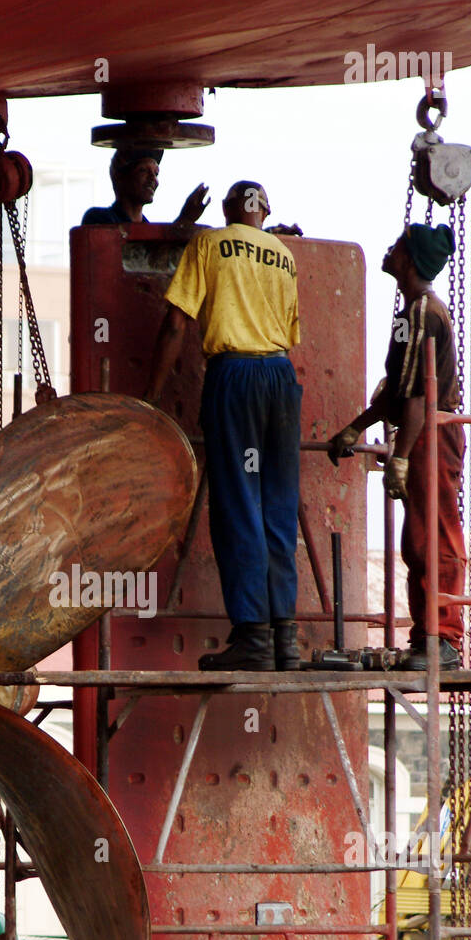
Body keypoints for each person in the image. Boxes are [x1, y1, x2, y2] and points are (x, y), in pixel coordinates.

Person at [144, 180, 303, 671]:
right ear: (265, 212)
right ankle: (284, 638)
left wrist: (151, 399)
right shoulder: (285, 255)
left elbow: (176, 323)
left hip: (236, 378)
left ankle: (253, 637)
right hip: (281, 379)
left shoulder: (208, 244)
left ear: (229, 209)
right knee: (278, 505)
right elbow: (290, 331)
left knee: (239, 503)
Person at [327, 223, 463, 670]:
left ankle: (443, 638)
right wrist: (355, 428)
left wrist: (400, 457)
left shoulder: (424, 313)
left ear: (410, 260)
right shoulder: (411, 314)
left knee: (435, 532)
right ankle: (428, 637)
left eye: (398, 246)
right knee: (417, 538)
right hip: (420, 429)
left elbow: (420, 397)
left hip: (430, 432)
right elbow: (399, 392)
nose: (390, 250)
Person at [82, 147, 209, 227]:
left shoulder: (148, 229)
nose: (153, 179)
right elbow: (142, 257)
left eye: (156, 173)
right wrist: (184, 220)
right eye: (143, 171)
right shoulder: (98, 219)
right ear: (121, 177)